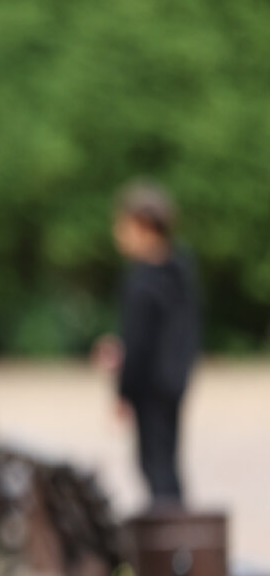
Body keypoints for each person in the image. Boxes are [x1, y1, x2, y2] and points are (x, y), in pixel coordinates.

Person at [97, 180, 200, 506]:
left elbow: (139, 345)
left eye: (123, 226)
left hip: (150, 388)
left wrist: (123, 391)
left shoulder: (142, 281)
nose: (118, 234)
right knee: (167, 463)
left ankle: (172, 545)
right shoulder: (181, 270)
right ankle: (178, 540)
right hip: (176, 381)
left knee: (154, 467)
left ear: (143, 226)